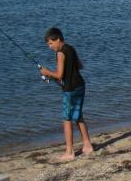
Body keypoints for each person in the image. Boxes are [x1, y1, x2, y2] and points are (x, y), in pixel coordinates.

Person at [40, 27, 94, 161]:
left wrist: (47, 73)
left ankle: (69, 152)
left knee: (67, 119)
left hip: (70, 89)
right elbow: (80, 66)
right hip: (80, 85)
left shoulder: (60, 53)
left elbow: (59, 75)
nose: (50, 47)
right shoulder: (71, 48)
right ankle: (87, 145)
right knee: (78, 115)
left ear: (58, 39)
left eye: (51, 43)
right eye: (48, 44)